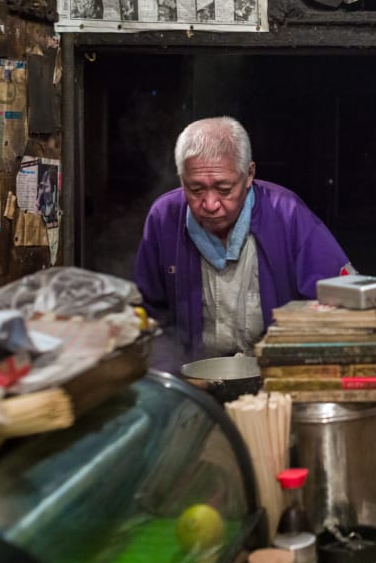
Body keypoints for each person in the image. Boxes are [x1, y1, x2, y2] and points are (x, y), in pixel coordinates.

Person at [134, 116, 354, 372]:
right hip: (195, 379)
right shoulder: (164, 218)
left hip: (275, 379)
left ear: (249, 174)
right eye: (195, 190)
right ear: (182, 179)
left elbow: (343, 304)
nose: (210, 204)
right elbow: (148, 314)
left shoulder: (288, 215)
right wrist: (173, 373)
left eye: (224, 189)